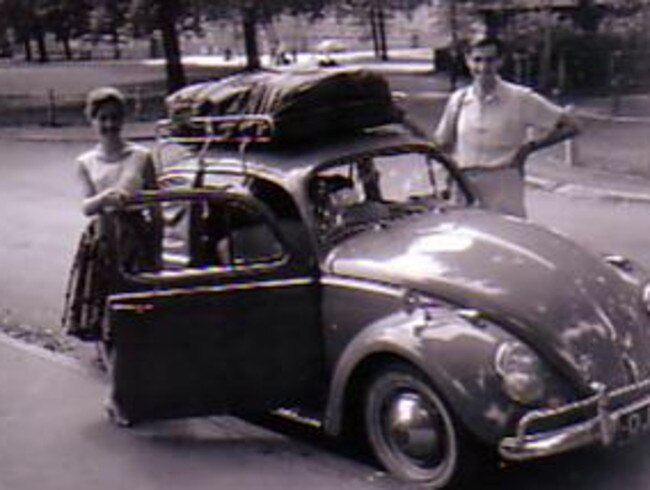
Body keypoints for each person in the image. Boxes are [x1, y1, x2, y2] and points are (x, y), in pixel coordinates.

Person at [434, 34, 580, 218]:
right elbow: (442, 143)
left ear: (500, 62)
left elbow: (572, 126)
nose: (483, 67)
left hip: (503, 185)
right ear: (468, 61)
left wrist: (529, 148)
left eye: (490, 60)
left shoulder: (520, 99)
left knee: (505, 239)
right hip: (465, 187)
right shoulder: (458, 100)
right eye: (477, 60)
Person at [63, 86, 160, 343]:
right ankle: (110, 346)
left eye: (115, 117)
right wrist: (104, 199)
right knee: (105, 292)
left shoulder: (141, 156)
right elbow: (86, 206)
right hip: (103, 235)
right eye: (103, 118)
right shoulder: (86, 161)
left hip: (136, 233)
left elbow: (156, 203)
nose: (109, 124)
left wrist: (157, 244)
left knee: (137, 292)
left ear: (123, 119)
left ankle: (140, 344)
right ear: (92, 121)